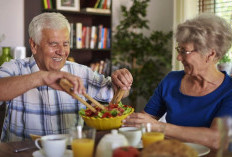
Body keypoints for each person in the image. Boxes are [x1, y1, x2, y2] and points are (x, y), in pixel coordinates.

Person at [0, 12, 133, 142]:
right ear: (34, 45)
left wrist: (122, 81)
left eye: (65, 44)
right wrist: (41, 78)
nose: (62, 51)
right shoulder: (15, 68)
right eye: (53, 44)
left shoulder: (80, 72)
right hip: (23, 153)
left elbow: (118, 92)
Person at [123, 13, 232, 149]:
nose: (179, 57)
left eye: (184, 51)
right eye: (178, 49)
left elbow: (216, 139)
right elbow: (144, 122)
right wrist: (119, 95)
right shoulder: (171, 80)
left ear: (210, 54)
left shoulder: (229, 90)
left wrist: (158, 127)